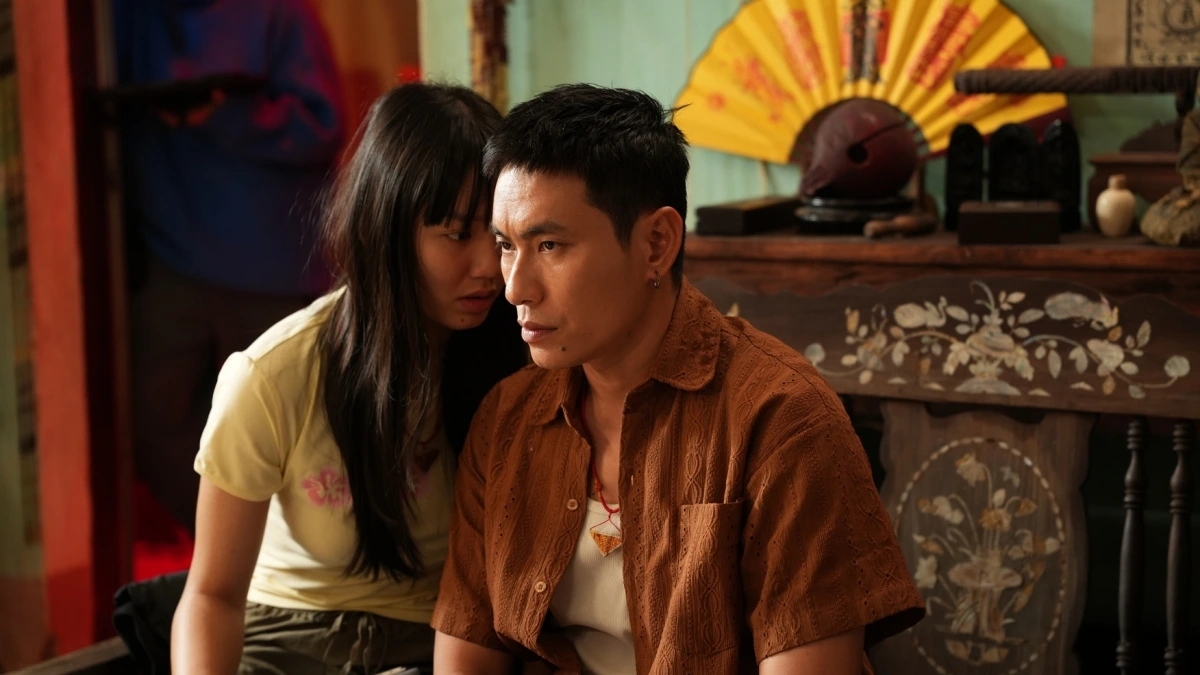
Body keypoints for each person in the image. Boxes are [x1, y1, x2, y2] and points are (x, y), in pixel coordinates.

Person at [431, 84, 925, 674]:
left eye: (550, 244)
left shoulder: (781, 419)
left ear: (656, 244)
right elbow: (466, 655)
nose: (515, 288)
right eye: (507, 245)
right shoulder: (508, 417)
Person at [171, 83, 528, 675]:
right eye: (456, 234)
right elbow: (211, 596)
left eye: (498, 236)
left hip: (444, 643)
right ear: (385, 228)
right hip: (289, 640)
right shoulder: (274, 376)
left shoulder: (525, 361)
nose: (490, 268)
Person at [113, 0, 346, 533]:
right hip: (166, 258)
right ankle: (233, 550)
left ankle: (280, 554)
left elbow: (323, 124)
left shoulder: (280, 12)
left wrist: (225, 114)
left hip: (276, 269)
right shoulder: (127, 15)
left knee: (302, 433)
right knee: (151, 423)